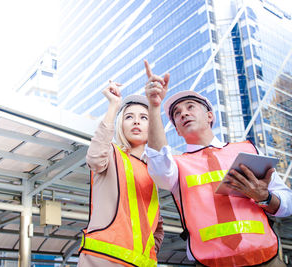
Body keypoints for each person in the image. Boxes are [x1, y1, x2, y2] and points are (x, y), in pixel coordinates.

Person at [142, 60, 292, 267]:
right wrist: (154, 106)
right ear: (176, 129)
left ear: (210, 116)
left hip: (267, 259)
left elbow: (288, 203)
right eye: (177, 113)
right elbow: (158, 165)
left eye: (190, 107)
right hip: (209, 263)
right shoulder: (176, 166)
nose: (183, 113)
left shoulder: (248, 150)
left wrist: (265, 198)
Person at [78, 81, 164, 267]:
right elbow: (94, 158)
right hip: (101, 261)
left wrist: (149, 251)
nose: (136, 121)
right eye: (129, 117)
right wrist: (113, 106)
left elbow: (157, 227)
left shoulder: (155, 173)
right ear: (121, 124)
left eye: (144, 118)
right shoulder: (111, 154)